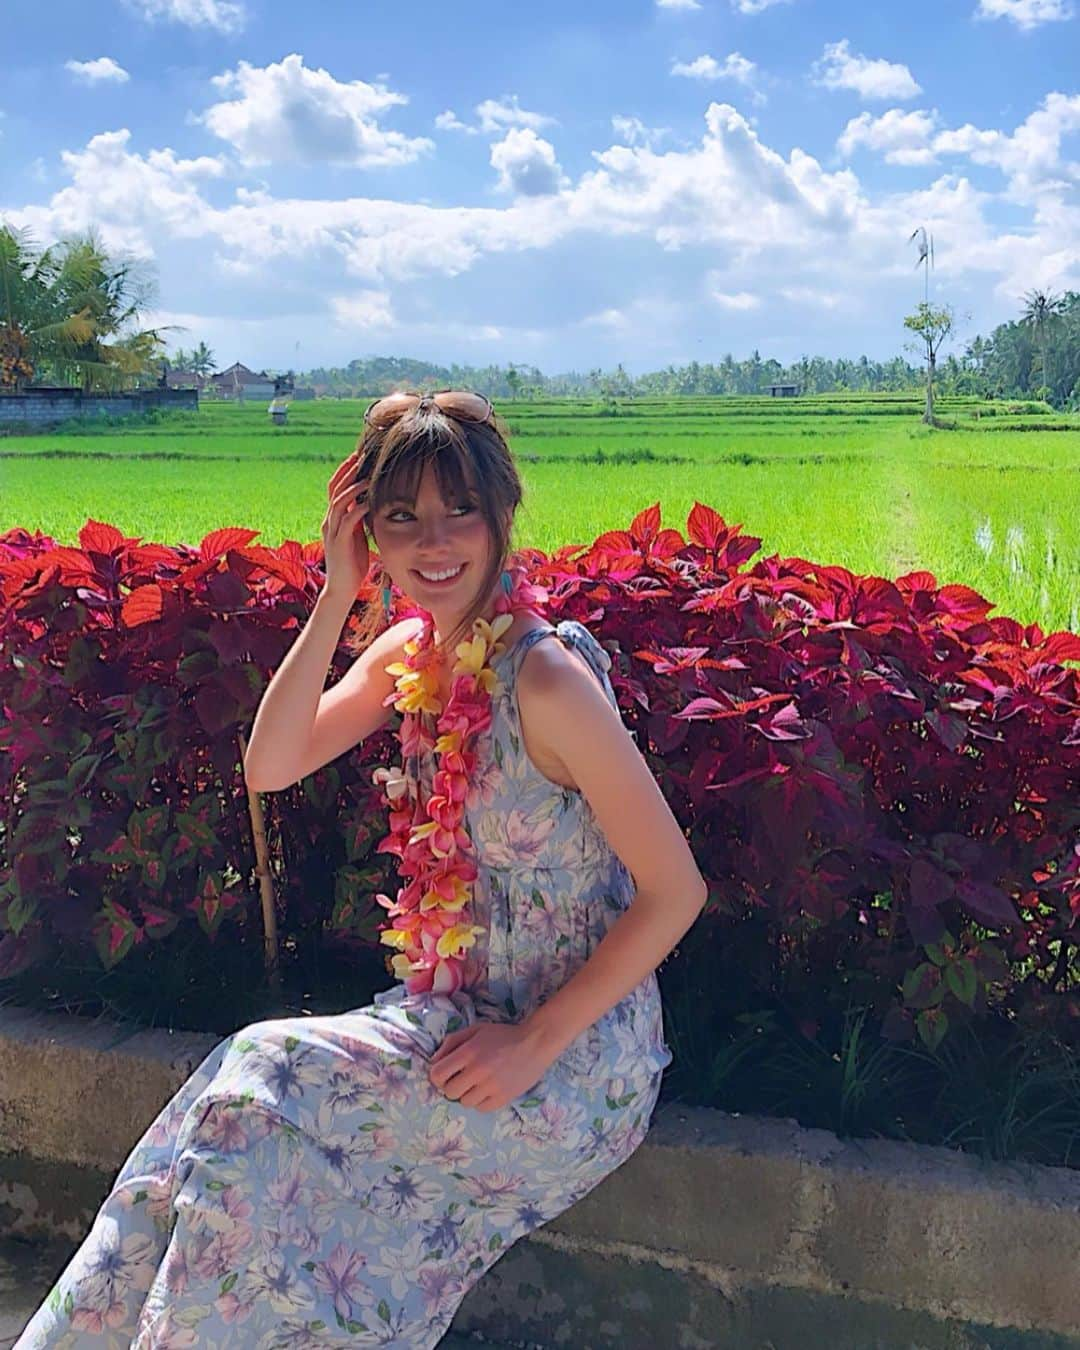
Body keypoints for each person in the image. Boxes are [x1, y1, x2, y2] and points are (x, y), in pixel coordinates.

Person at [15, 389, 708, 1349]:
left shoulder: (546, 681)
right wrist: (336, 591)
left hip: (570, 1062)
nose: (434, 541)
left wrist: (535, 1043)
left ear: (502, 514)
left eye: (458, 510)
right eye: (401, 518)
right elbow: (271, 763)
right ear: (367, 529)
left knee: (256, 1087)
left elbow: (678, 891)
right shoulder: (410, 655)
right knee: (221, 1132)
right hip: (452, 1021)